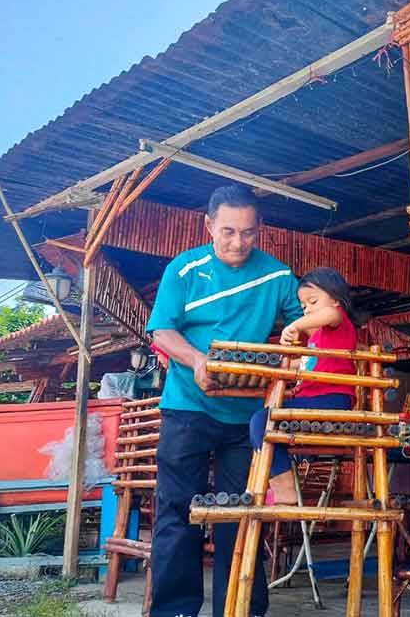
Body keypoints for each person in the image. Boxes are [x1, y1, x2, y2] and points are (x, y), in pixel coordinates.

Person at [146, 184, 301, 617]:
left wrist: (298, 347)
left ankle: (240, 610)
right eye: (228, 231)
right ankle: (174, 611)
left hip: (246, 419)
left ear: (260, 228)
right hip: (187, 407)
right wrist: (197, 360)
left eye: (248, 232)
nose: (238, 242)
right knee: (178, 512)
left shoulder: (277, 276)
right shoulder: (184, 268)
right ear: (209, 226)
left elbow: (306, 323)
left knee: (243, 516)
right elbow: (162, 331)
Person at [249, 267, 359, 505]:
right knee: (262, 421)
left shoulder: (339, 321)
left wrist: (295, 325)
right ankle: (278, 484)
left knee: (261, 421)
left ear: (336, 299)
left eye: (313, 301)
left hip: (331, 399)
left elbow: (330, 313)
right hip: (316, 399)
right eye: (303, 306)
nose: (307, 309)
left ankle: (285, 489)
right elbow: (307, 364)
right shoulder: (318, 339)